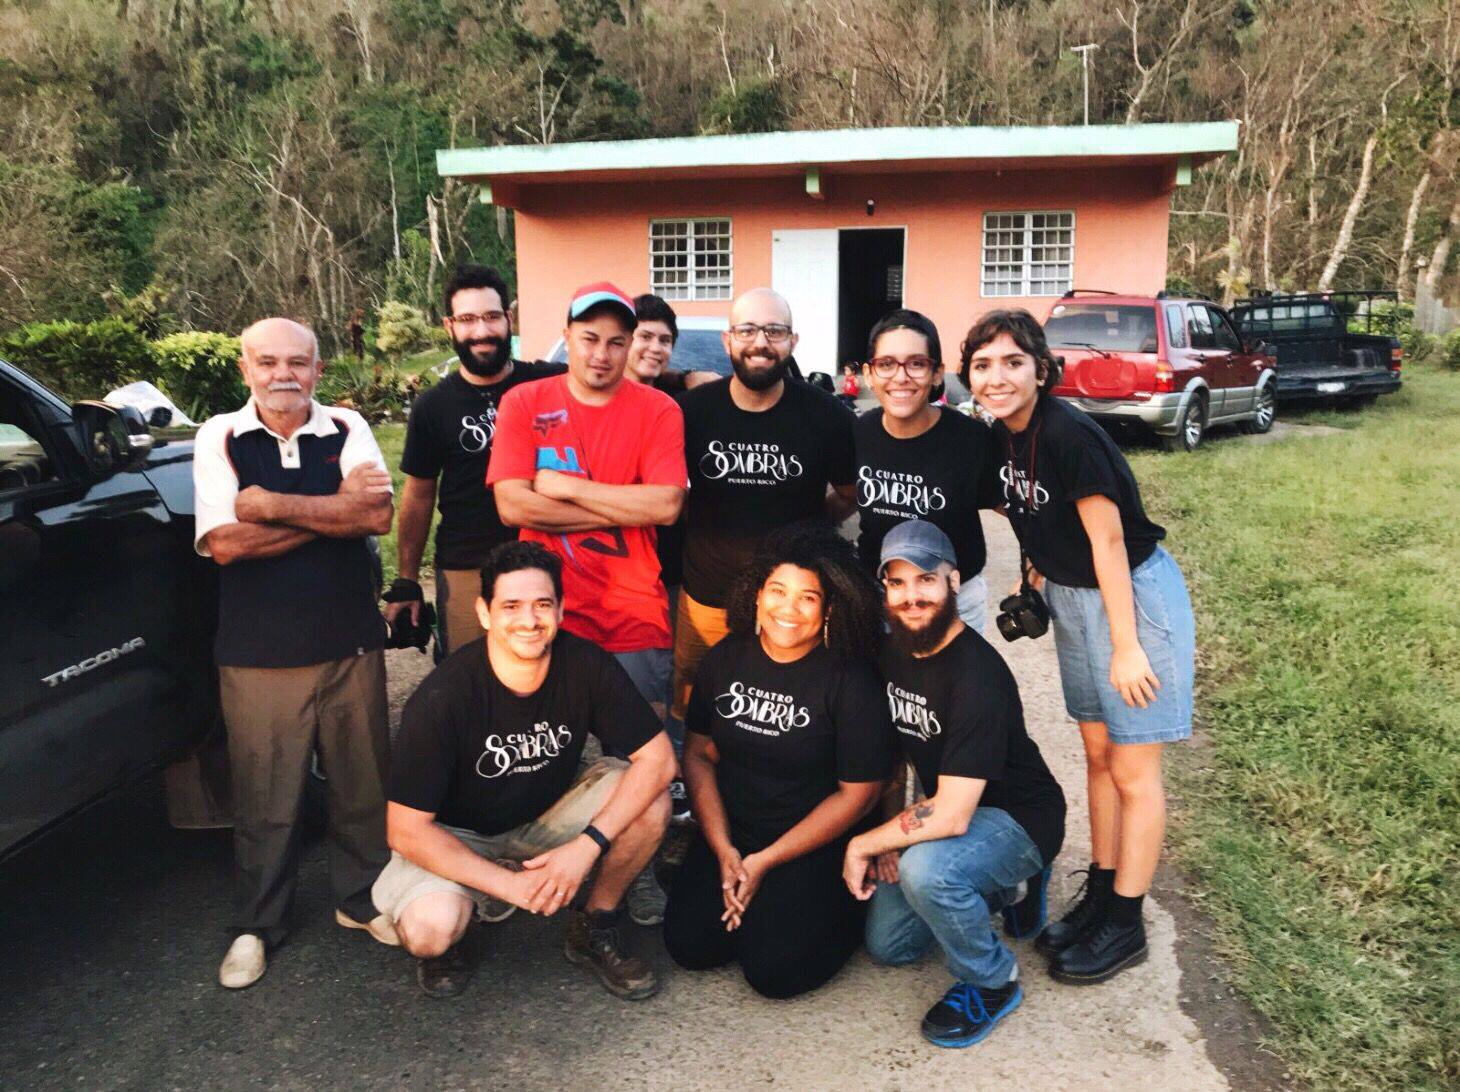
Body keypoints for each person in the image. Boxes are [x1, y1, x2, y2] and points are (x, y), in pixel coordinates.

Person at [960, 309, 1196, 984]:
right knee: (1097, 756)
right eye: (982, 365)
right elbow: (1033, 510)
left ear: (1041, 368)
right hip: (1072, 595)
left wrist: (1127, 645)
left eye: (1013, 362)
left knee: (1133, 770)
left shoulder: (1069, 434)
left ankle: (1127, 920)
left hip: (1130, 599)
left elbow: (1109, 541)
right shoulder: (1005, 435)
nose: (997, 377)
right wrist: (1035, 570)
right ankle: (1103, 885)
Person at [192, 318, 399, 990]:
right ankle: (257, 924)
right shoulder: (219, 436)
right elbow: (226, 544)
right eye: (268, 362)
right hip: (259, 653)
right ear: (245, 368)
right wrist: (333, 511)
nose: (283, 374)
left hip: (349, 640)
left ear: (317, 369)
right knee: (266, 798)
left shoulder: (347, 426)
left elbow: (376, 517)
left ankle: (362, 899)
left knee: (363, 786)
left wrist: (271, 506)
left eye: (298, 362)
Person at [375, 542, 676, 998]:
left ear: (561, 610)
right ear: (484, 612)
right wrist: (512, 887)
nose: (529, 620)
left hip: (546, 814)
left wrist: (586, 847)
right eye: (511, 606)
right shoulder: (443, 698)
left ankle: (594, 922)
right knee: (429, 932)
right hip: (460, 834)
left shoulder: (585, 664)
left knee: (652, 801)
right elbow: (405, 830)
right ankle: (464, 911)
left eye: (542, 604)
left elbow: (660, 759)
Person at [487, 281, 686, 925]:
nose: (602, 354)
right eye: (590, 338)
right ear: (567, 337)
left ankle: (633, 868)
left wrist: (565, 487)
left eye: (616, 342)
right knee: (539, 748)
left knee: (640, 757)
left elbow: (665, 504)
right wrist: (621, 506)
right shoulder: (526, 401)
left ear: (631, 346)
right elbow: (512, 503)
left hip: (633, 608)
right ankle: (528, 866)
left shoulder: (657, 409)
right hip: (545, 609)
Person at [843, 519, 1066, 1047]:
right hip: (956, 806)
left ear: (954, 582)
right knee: (890, 946)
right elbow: (899, 753)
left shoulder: (976, 676)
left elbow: (951, 815)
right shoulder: (894, 651)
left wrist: (864, 843)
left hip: (1020, 818)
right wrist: (890, 833)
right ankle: (1003, 887)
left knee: (927, 872)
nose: (911, 597)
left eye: (926, 579)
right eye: (897, 583)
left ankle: (993, 981)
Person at [663, 525, 894, 999]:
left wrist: (766, 861)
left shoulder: (850, 681)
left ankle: (849, 906)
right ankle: (751, 891)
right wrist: (723, 849)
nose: (788, 609)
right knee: (690, 946)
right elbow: (699, 754)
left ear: (830, 608)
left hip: (812, 837)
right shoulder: (726, 658)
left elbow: (859, 794)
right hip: (736, 827)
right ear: (757, 593)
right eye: (777, 591)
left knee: (773, 972)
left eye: (808, 598)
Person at [670, 287, 856, 732]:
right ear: (727, 340)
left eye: (774, 331)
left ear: (793, 341)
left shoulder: (826, 415)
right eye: (747, 330)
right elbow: (668, 491)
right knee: (694, 710)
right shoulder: (691, 411)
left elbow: (850, 493)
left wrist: (809, 531)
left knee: (779, 715)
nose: (760, 342)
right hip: (706, 598)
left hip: (790, 603)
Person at [387, 266, 564, 653]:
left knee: (547, 664)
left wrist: (683, 378)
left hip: (547, 556)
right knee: (467, 670)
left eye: (491, 316)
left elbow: (615, 380)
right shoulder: (432, 406)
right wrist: (407, 580)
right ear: (449, 326)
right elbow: (418, 495)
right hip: (465, 562)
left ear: (509, 319)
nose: (481, 331)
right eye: (467, 319)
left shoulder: (551, 383)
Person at [854, 308, 1000, 633]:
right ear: (869, 374)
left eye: (917, 363)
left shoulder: (971, 439)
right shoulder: (859, 432)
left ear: (937, 374)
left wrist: (1035, 568)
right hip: (879, 598)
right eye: (886, 364)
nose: (901, 377)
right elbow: (843, 496)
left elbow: (1016, 508)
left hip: (955, 601)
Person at [625, 293, 719, 394]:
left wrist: (687, 379)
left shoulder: (682, 399)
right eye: (645, 337)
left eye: (664, 340)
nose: (656, 348)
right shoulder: (611, 395)